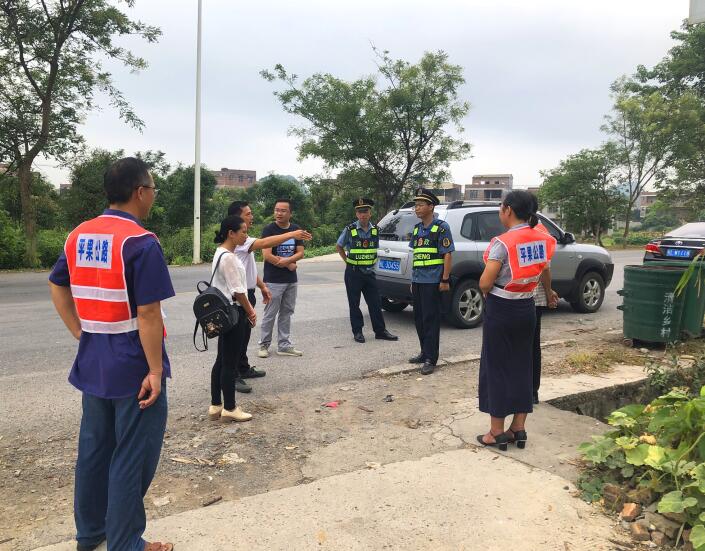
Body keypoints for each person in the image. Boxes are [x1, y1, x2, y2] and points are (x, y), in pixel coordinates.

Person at [48, 157, 174, 551]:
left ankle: (90, 534)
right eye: (152, 189)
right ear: (140, 192)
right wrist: (155, 370)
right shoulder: (140, 242)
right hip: (133, 363)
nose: (152, 196)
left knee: (94, 449)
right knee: (132, 456)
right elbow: (149, 313)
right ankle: (125, 542)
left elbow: (57, 284)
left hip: (94, 359)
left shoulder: (78, 235)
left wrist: (80, 331)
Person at [476, 190, 556, 451]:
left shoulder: (503, 242)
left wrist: (487, 291)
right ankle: (518, 428)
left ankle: (496, 432)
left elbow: (485, 282)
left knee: (496, 366)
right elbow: (544, 270)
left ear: (508, 210)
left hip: (502, 307)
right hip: (527, 306)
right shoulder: (543, 238)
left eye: (501, 206)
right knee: (523, 365)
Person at [227, 200, 313, 391]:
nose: (252, 217)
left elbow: (248, 270)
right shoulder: (238, 241)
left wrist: (261, 286)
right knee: (236, 338)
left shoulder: (243, 239)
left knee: (244, 335)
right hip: (238, 295)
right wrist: (292, 234)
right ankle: (233, 376)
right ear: (236, 218)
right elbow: (266, 245)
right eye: (248, 214)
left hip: (248, 291)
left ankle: (243, 368)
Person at [208, 215, 256, 423]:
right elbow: (238, 291)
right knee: (229, 362)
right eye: (243, 231)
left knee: (221, 360)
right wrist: (251, 311)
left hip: (224, 312)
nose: (246, 235)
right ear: (231, 233)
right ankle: (229, 408)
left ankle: (215, 405)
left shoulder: (220, 253)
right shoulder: (228, 257)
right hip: (233, 313)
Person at [336, 198, 399, 343]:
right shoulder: (350, 229)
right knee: (354, 304)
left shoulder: (375, 230)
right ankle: (358, 332)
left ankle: (380, 331)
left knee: (375, 303)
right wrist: (347, 261)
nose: (363, 214)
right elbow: (339, 246)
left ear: (370, 213)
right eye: (360, 212)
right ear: (356, 214)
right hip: (354, 273)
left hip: (370, 273)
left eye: (365, 211)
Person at [407, 188, 454, 375]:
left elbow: (447, 255)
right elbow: (416, 256)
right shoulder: (417, 229)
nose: (417, 208)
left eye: (420, 205)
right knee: (419, 319)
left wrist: (445, 279)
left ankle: (430, 358)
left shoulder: (441, 227)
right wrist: (413, 280)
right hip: (418, 280)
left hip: (433, 281)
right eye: (416, 205)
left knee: (430, 320)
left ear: (431, 207)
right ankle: (424, 352)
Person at [258, 199, 305, 358]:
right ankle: (264, 345)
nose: (279, 213)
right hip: (273, 280)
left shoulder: (295, 229)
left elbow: (300, 252)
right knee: (270, 313)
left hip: (291, 280)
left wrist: (288, 261)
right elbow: (267, 255)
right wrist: (288, 264)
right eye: (276, 210)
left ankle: (284, 345)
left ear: (290, 213)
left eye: (283, 210)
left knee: (287, 312)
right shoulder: (269, 229)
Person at [532, 222, 559, 404]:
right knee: (533, 346)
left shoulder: (513, 236)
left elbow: (545, 269)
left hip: (520, 300)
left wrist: (549, 293)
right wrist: (549, 293)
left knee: (519, 347)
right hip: (535, 301)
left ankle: (523, 391)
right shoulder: (540, 233)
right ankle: (532, 393)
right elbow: (545, 269)